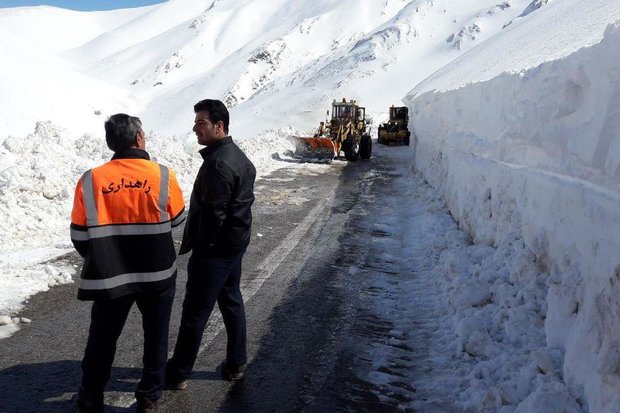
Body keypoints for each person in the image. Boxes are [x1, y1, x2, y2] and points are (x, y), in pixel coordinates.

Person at [70, 114, 185, 412]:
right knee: (156, 334)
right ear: (138, 139)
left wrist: (107, 258)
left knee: (102, 336)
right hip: (158, 274)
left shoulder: (90, 179)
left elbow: (79, 235)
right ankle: (148, 396)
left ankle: (90, 395)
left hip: (110, 276)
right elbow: (177, 219)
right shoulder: (163, 175)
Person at [165, 99, 256, 389]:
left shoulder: (219, 163)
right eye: (195, 123)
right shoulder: (238, 157)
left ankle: (178, 372)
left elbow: (215, 215)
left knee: (194, 313)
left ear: (219, 126)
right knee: (231, 301)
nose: (195, 128)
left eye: (201, 123)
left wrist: (203, 249)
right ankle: (236, 363)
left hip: (215, 252)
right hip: (234, 246)